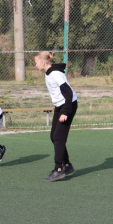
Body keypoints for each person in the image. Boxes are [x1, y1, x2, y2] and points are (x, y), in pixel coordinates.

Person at [34, 51, 78, 182]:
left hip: (68, 105)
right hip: (60, 105)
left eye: (36, 63)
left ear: (43, 62)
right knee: (54, 136)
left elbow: (68, 93)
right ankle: (67, 165)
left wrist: (65, 112)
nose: (35, 65)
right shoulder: (48, 73)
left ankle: (58, 169)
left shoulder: (55, 74)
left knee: (58, 137)